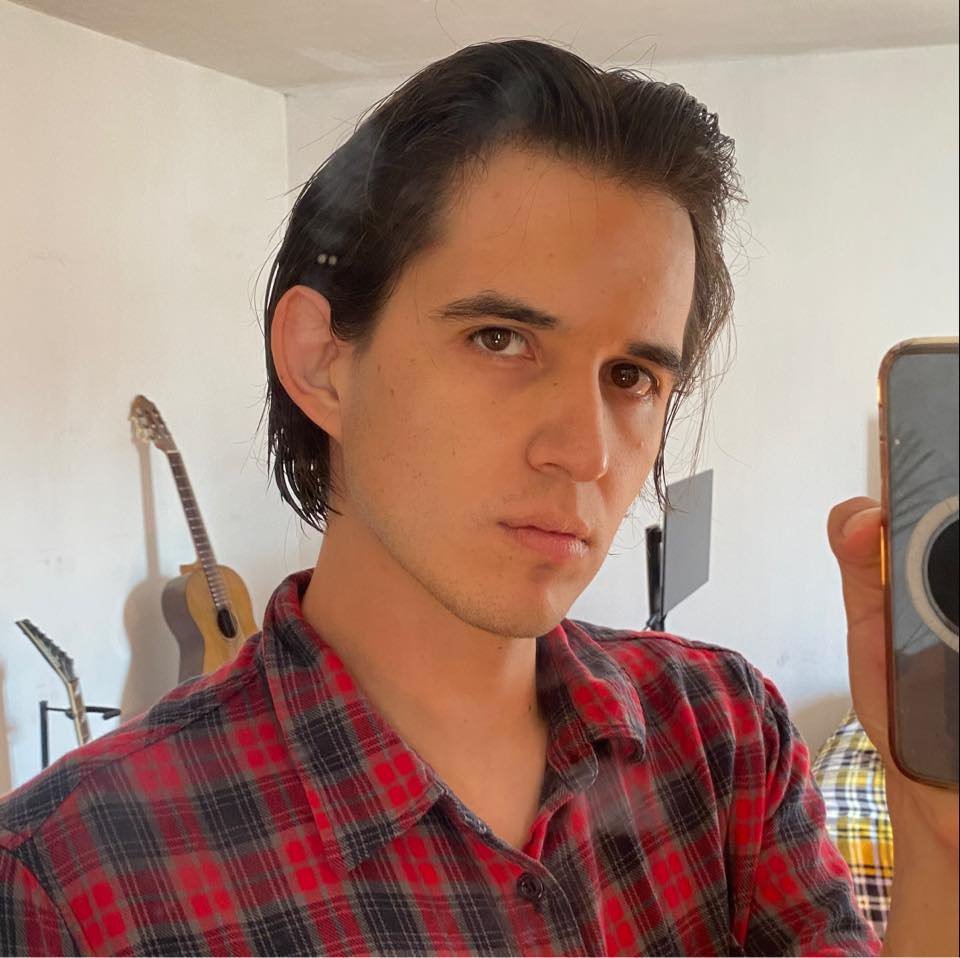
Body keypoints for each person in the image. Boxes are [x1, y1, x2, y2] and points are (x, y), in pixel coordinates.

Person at [1, 38, 956, 957]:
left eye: (631, 376)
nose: (585, 453)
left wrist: (935, 817)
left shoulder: (722, 734)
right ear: (323, 361)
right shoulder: (69, 881)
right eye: (500, 340)